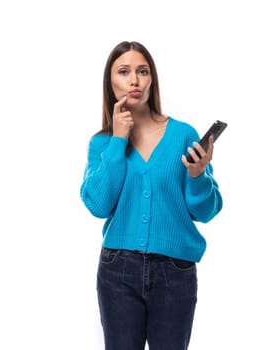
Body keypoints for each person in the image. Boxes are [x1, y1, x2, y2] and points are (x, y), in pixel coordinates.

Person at [79, 40, 223, 350]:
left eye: (142, 71)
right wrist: (119, 140)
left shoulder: (183, 134)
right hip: (118, 270)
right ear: (110, 82)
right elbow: (99, 205)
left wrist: (197, 176)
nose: (134, 80)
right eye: (124, 72)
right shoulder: (101, 143)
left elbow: (207, 211)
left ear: (152, 79)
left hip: (175, 271)